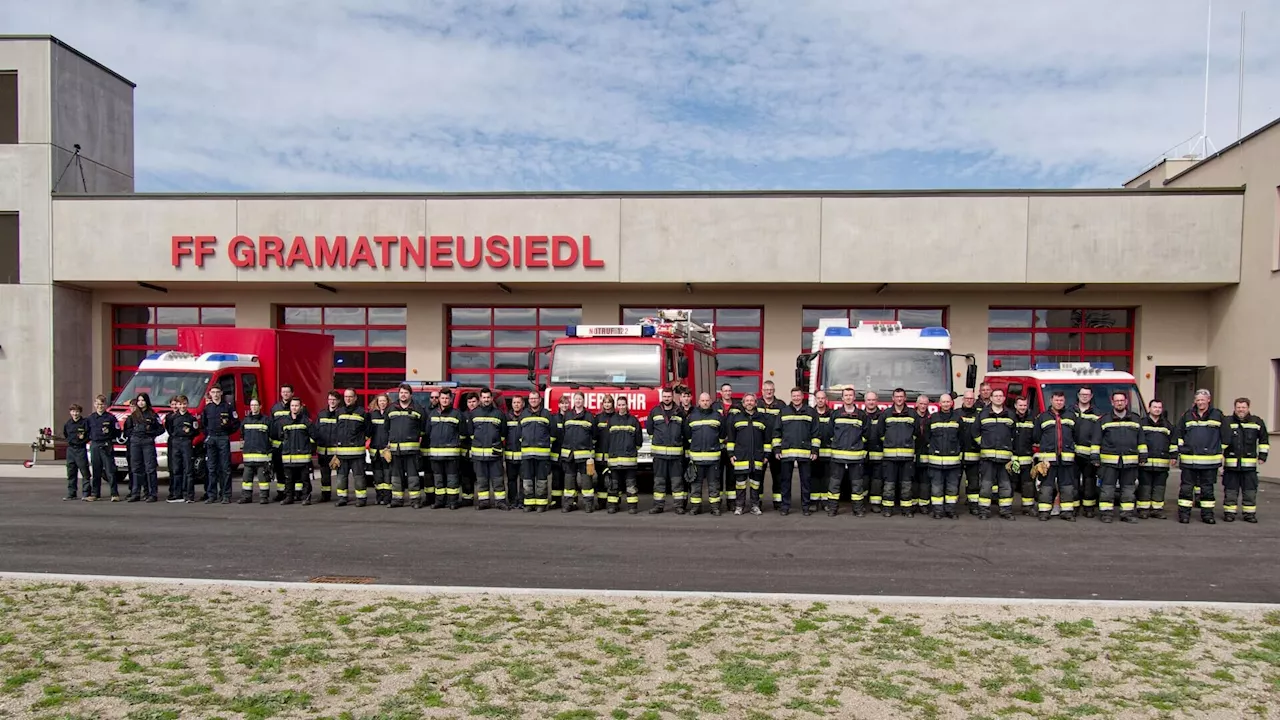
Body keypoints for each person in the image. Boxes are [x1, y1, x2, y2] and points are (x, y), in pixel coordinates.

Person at [1174, 389, 1225, 525]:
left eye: (1203, 399)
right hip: (1189, 460)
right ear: (1195, 401)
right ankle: (1184, 515)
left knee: (1207, 490)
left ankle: (1207, 515)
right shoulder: (1187, 415)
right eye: (1198, 400)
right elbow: (1178, 434)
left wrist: (1218, 451)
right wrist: (1181, 449)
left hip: (1210, 461)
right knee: (1186, 489)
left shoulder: (1217, 415)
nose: (1200, 402)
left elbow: (1226, 436)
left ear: (1209, 400)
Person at [775, 386, 820, 516]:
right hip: (786, 452)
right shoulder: (783, 411)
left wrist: (814, 450)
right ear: (791, 397)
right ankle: (785, 506)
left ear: (802, 397)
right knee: (785, 481)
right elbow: (777, 432)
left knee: (806, 481)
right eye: (794, 396)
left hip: (805, 452)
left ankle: (806, 506)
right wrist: (777, 449)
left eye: (798, 396)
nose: (796, 398)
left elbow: (815, 433)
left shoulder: (811, 412)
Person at [1222, 397, 1269, 523]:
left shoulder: (1257, 422)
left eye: (1243, 407)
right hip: (1231, 464)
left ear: (1248, 408)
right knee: (1230, 489)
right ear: (1235, 408)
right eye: (1238, 407)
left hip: (1249, 465)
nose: (1241, 410)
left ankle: (1249, 514)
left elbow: (1264, 440)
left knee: (1250, 490)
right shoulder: (1227, 421)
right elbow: (1221, 440)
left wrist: (1263, 456)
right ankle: (1229, 513)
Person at [1034, 391, 1078, 522]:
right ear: (1051, 401)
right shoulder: (1042, 417)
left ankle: (1067, 512)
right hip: (1048, 460)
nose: (1059, 402)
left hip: (1066, 459)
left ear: (1064, 401)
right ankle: (1044, 512)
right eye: (1056, 400)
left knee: (1067, 486)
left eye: (1061, 400)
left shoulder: (1071, 416)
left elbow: (1076, 435)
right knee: (1046, 486)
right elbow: (1036, 436)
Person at [826, 387, 870, 517]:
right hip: (838, 456)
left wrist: (857, 444)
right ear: (843, 398)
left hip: (856, 456)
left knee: (857, 484)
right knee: (834, 484)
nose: (848, 397)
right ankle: (833, 508)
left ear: (854, 397)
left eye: (850, 395)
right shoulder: (836, 414)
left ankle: (858, 509)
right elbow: (830, 432)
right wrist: (838, 443)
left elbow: (867, 434)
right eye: (846, 395)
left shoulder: (861, 415)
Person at [974, 389, 1016, 520]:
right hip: (988, 458)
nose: (998, 398)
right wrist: (984, 443)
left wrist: (1009, 448)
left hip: (1005, 458)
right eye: (996, 396)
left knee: (1005, 486)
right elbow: (974, 432)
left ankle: (1006, 511)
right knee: (986, 485)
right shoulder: (983, 414)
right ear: (991, 398)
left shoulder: (1010, 414)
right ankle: (984, 511)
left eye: (1001, 396)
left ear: (1004, 399)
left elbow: (1014, 435)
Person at [729, 393, 771, 516]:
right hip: (741, 457)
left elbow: (767, 440)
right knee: (740, 484)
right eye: (747, 401)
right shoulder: (736, 418)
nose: (749, 403)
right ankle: (739, 506)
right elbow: (731, 439)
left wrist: (766, 456)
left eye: (751, 401)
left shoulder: (762, 419)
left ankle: (755, 506)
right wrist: (731, 454)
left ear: (756, 403)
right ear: (743, 403)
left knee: (756, 484)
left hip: (757, 457)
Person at [877, 388, 918, 517]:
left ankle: (906, 509)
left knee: (906, 484)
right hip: (890, 457)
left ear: (905, 398)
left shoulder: (912, 414)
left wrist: (908, 442)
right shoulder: (886, 414)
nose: (899, 399)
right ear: (893, 398)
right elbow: (880, 432)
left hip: (907, 457)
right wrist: (889, 442)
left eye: (901, 396)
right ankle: (888, 509)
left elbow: (917, 433)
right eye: (897, 396)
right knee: (889, 484)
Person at [466, 388, 508, 511]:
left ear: (491, 398)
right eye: (484, 397)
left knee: (498, 479)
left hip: (495, 454)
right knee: (481, 480)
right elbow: (471, 433)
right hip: (479, 454)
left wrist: (494, 442)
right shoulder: (473, 414)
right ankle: (483, 502)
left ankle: (500, 502)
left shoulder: (499, 414)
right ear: (480, 399)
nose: (486, 399)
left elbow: (503, 433)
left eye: (488, 397)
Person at [685, 391, 726, 515]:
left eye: (707, 400)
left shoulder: (718, 416)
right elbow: (688, 434)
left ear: (711, 401)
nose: (705, 403)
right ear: (698, 402)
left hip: (713, 458)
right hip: (697, 458)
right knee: (696, 485)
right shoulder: (692, 416)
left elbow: (722, 434)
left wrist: (714, 444)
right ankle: (695, 507)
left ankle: (715, 507)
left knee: (714, 484)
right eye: (702, 400)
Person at [924, 393, 963, 519]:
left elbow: (961, 438)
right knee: (936, 488)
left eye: (948, 402)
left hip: (953, 462)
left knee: (952, 488)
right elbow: (926, 436)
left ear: (951, 403)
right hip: (935, 461)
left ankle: (951, 510)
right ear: (939, 404)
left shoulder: (958, 418)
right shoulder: (932, 418)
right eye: (943, 402)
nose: (946, 404)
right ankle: (938, 511)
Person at [386, 383, 425, 508]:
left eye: (406, 393)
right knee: (396, 477)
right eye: (401, 392)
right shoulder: (391, 408)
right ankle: (397, 500)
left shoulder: (418, 409)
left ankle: (415, 500)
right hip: (395, 450)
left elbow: (423, 429)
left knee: (413, 476)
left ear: (410, 395)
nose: (403, 395)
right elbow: (387, 428)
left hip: (411, 451)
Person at [648, 387, 686, 514]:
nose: (667, 398)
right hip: (659, 456)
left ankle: (678, 506)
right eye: (665, 396)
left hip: (676, 456)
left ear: (672, 397)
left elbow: (685, 431)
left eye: (669, 396)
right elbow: (649, 430)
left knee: (677, 482)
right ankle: (658, 506)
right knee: (659, 482)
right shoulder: (655, 411)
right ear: (662, 397)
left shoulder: (679, 412)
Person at [331, 388, 370, 507]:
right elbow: (337, 430)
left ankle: (361, 498)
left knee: (359, 477)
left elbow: (368, 431)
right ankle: (342, 498)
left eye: (350, 397)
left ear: (355, 398)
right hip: (342, 452)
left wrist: (359, 441)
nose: (348, 399)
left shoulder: (362, 412)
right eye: (346, 397)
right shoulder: (339, 412)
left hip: (357, 452)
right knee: (341, 477)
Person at [605, 397, 644, 514]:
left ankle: (632, 506)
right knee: (613, 485)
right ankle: (613, 505)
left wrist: (631, 450)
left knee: (631, 485)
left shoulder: (633, 421)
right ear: (617, 406)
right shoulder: (612, 420)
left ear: (627, 405)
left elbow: (639, 441)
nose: (621, 407)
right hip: (615, 460)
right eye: (619, 405)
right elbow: (608, 440)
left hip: (629, 460)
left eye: (623, 405)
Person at [427, 388, 465, 509]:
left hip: (452, 453)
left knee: (452, 479)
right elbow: (428, 432)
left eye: (447, 398)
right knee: (438, 479)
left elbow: (463, 433)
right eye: (442, 398)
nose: (444, 400)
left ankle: (452, 502)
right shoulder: (432, 414)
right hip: (435, 454)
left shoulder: (457, 414)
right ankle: (440, 501)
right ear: (439, 399)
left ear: (451, 399)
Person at [201, 385, 239, 504]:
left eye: (218, 392)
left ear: (221, 393)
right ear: (210, 394)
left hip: (223, 437)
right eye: (213, 392)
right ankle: (212, 495)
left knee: (225, 468)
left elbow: (236, 423)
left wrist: (227, 432)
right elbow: (203, 425)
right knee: (211, 468)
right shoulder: (207, 408)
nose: (216, 394)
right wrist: (209, 435)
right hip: (211, 438)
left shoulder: (228, 407)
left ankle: (226, 495)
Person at [1138, 398, 1175, 519]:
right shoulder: (1141, 423)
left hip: (1162, 462)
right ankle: (1143, 509)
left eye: (1159, 407)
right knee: (1145, 486)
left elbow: (1173, 442)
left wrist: (1174, 456)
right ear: (1149, 409)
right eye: (1155, 407)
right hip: (1145, 462)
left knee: (1159, 487)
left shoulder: (1167, 425)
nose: (1157, 409)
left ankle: (1157, 510)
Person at [274, 397, 315, 505]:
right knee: (288, 479)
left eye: (296, 405)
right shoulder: (283, 422)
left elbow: (314, 436)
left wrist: (308, 449)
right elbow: (280, 436)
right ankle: (289, 497)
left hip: (303, 457)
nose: (294, 408)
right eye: (292, 406)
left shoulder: (306, 421)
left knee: (305, 479)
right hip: (288, 457)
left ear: (301, 407)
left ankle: (306, 497)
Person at [123, 392, 164, 503]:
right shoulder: (133, 416)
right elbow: (126, 430)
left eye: (143, 400)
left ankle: (152, 493)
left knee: (150, 468)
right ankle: (136, 493)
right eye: (139, 400)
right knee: (136, 468)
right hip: (135, 442)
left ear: (147, 401)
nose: (141, 403)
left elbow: (161, 429)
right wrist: (134, 434)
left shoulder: (152, 415)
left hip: (147, 442)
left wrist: (150, 433)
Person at [559, 392, 596, 513]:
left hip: (584, 455)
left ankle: (588, 504)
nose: (578, 401)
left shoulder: (590, 416)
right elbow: (564, 433)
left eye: (580, 399)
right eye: (576, 399)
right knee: (569, 480)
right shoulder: (568, 415)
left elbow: (594, 436)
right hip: (569, 454)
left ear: (583, 401)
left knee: (586, 481)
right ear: (573, 401)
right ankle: (569, 503)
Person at [520, 390, 555, 512]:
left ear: (540, 400)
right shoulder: (523, 414)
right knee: (527, 480)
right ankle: (529, 503)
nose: (533, 400)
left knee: (541, 480)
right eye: (531, 399)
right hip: (527, 454)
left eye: (535, 398)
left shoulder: (547, 414)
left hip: (542, 455)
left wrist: (544, 444)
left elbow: (553, 433)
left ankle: (541, 503)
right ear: (528, 401)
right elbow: (520, 433)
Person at [269, 385, 303, 502]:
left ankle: (297, 493)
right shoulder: (275, 408)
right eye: (283, 392)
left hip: (294, 445)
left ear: (292, 393)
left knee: (296, 470)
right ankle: (281, 492)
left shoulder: (298, 407)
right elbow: (271, 426)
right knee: (280, 470)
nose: (285, 394)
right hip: (279, 445)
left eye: (288, 392)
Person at [1072, 388, 1102, 518]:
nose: (1084, 397)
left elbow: (1099, 434)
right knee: (1073, 482)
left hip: (1090, 454)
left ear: (1091, 396)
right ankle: (1074, 507)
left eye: (1087, 395)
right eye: (1082, 394)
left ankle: (1089, 508)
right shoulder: (1070, 411)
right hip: (1072, 454)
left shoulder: (1098, 414)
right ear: (1078, 395)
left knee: (1089, 482)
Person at [757, 381, 786, 510]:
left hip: (776, 446)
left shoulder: (781, 405)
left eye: (771, 389)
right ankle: (757, 501)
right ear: (762, 390)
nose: (768, 392)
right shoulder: (756, 404)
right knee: (758, 476)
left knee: (778, 475)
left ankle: (778, 502)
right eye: (766, 389)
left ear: (774, 390)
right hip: (760, 446)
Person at [87, 395, 122, 501]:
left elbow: (117, 432)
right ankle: (95, 494)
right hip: (95, 445)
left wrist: (110, 435)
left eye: (102, 404)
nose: (99, 406)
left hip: (106, 445)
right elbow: (87, 431)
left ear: (105, 405)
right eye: (97, 404)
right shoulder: (90, 418)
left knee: (110, 471)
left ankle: (114, 494)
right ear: (94, 404)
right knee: (96, 471)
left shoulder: (111, 418)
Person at [711, 384, 740, 510]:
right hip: (718, 446)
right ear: (721, 393)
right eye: (725, 391)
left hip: (732, 446)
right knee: (717, 476)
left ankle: (731, 502)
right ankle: (717, 502)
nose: (727, 393)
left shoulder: (738, 407)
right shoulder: (714, 407)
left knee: (732, 476)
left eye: (729, 391)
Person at [238, 398, 273, 504]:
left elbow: (271, 438)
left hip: (262, 457)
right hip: (248, 456)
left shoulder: (267, 421)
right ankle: (246, 497)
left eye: (256, 405)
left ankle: (264, 497)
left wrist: (269, 455)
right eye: (252, 405)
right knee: (246, 480)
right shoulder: (245, 421)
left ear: (260, 406)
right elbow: (242, 436)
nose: (253, 407)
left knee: (263, 479)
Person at [166, 395, 199, 503]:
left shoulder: (191, 418)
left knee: (188, 470)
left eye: (184, 403)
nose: (182, 406)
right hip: (175, 442)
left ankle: (189, 495)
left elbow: (196, 431)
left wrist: (188, 436)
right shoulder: (172, 418)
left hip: (186, 442)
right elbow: (169, 429)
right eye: (180, 404)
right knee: (176, 469)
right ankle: (177, 494)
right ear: (177, 405)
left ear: (187, 404)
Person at [1010, 396, 1037, 515]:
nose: (1023, 408)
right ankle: (1007, 508)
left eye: (1025, 405)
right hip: (1012, 458)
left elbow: (1036, 437)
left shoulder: (1032, 419)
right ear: (1015, 406)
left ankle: (1028, 507)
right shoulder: (1010, 418)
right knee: (1010, 484)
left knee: (1028, 484)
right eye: (1020, 405)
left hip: (1027, 458)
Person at [314, 391, 341, 504]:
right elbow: (316, 431)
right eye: (330, 399)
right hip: (323, 451)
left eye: (334, 399)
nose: (332, 401)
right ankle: (325, 495)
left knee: (340, 476)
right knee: (325, 475)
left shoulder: (341, 414)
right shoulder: (321, 414)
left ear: (338, 401)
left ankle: (341, 496)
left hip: (337, 451)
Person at [958, 390, 981, 514]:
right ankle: (952, 507)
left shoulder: (980, 415)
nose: (969, 401)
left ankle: (974, 506)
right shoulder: (956, 414)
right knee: (954, 482)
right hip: (957, 455)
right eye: (967, 398)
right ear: (963, 400)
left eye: (971, 399)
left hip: (974, 454)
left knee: (974, 482)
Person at [61, 404, 90, 501]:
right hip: (70, 450)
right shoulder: (68, 423)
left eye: (77, 411)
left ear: (80, 412)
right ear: (70, 412)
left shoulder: (85, 423)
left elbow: (88, 435)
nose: (75, 414)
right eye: (73, 411)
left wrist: (82, 441)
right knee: (71, 472)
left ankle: (86, 493)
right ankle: (71, 493)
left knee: (85, 472)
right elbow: (65, 434)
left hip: (80, 449)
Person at [548, 394, 572, 509]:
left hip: (568, 454)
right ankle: (556, 501)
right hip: (556, 453)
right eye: (562, 403)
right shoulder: (553, 418)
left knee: (569, 480)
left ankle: (572, 501)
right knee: (556, 479)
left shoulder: (572, 417)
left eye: (566, 403)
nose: (565, 405)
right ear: (558, 405)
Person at [504, 394, 528, 511]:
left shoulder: (527, 416)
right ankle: (513, 500)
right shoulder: (506, 417)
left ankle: (523, 501)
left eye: (518, 402)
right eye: (514, 403)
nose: (516, 405)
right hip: (510, 455)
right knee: (511, 480)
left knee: (524, 480)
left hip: (524, 454)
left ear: (523, 404)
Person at [368, 394, 392, 505]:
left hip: (386, 450)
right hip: (375, 451)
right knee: (377, 476)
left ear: (387, 402)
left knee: (387, 476)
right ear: (377, 403)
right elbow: (368, 432)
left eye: (384, 401)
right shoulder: (372, 415)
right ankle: (379, 497)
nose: (382, 403)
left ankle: (387, 497)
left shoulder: (390, 414)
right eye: (380, 401)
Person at [863, 391, 885, 513]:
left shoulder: (882, 416)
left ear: (877, 401)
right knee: (863, 480)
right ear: (865, 402)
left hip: (878, 453)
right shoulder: (860, 415)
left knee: (877, 480)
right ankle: (863, 502)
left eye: (873, 400)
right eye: (869, 400)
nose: (871, 402)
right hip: (863, 454)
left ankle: (875, 504)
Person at [593, 394, 615, 507]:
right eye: (605, 402)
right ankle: (601, 502)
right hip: (599, 455)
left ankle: (613, 503)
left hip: (613, 455)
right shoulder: (598, 418)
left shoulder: (616, 418)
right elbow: (594, 436)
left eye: (609, 402)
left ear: (612, 404)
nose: (607, 404)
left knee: (613, 480)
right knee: (601, 480)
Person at [912, 395, 932, 514]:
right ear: (917, 404)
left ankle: (923, 504)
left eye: (925, 404)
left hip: (926, 453)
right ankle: (913, 504)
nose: (923, 406)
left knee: (925, 482)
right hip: (912, 452)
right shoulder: (911, 417)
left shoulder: (931, 418)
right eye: (921, 404)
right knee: (913, 481)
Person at [460, 392, 481, 506]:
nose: (471, 404)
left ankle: (483, 499)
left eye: (473, 401)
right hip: (465, 451)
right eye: (469, 402)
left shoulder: (482, 415)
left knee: (480, 477)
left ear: (478, 402)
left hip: (479, 451)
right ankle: (467, 498)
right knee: (466, 477)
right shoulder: (463, 415)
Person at [812, 391, 832, 506]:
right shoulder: (810, 413)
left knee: (827, 478)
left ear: (826, 400)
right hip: (814, 453)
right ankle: (813, 502)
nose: (820, 400)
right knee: (814, 477)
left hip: (829, 452)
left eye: (822, 398)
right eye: (818, 398)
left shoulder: (833, 414)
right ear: (815, 399)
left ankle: (825, 502)